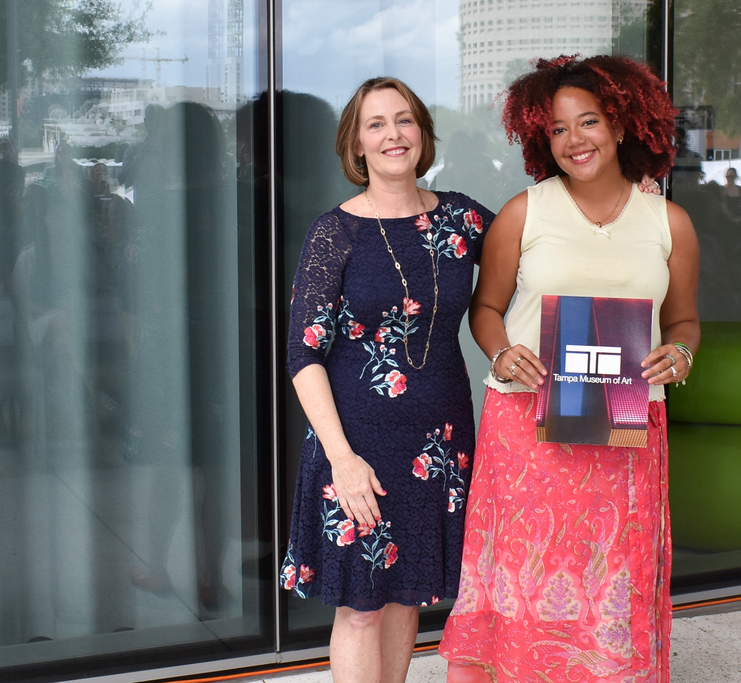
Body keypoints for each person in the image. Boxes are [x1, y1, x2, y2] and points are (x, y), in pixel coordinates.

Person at [439, 54, 700, 682]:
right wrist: (501, 351)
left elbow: (685, 321)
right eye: (558, 129)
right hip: (528, 426)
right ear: (540, 138)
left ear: (622, 122)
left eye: (589, 121)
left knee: (614, 576)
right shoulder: (524, 213)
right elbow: (486, 308)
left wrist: (682, 353)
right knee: (527, 576)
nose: (575, 140)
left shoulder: (668, 221)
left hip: (625, 430)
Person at [278, 77, 494, 683]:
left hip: (439, 442)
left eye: (404, 120)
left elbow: (541, 245)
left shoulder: (462, 217)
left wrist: (625, 189)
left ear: (421, 132)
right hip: (356, 445)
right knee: (360, 610)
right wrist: (341, 460)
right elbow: (304, 356)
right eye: (376, 124)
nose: (393, 134)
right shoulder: (335, 233)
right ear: (357, 143)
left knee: (407, 597)